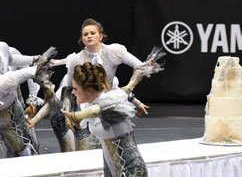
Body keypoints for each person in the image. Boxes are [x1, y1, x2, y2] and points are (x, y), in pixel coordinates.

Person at [29, 18, 154, 152]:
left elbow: (139, 68)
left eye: (92, 33)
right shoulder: (76, 60)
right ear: (82, 39)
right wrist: (36, 120)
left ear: (101, 36)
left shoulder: (114, 52)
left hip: (109, 104)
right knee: (87, 149)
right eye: (85, 34)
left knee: (117, 147)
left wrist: (134, 97)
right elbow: (63, 93)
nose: (89, 36)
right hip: (87, 105)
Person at [0, 49, 54, 157]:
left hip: (12, 122)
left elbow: (30, 72)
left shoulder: (3, 82)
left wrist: (42, 62)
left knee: (23, 149)